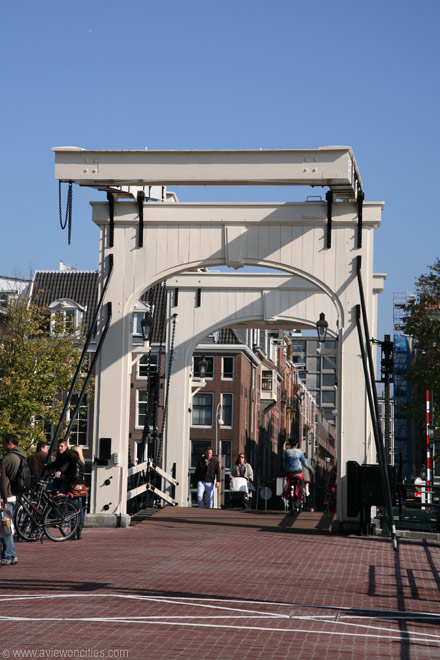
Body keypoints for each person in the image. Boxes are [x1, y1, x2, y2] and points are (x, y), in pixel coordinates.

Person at [1, 434, 24, 565]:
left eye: (4, 442)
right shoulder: (20, 455)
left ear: (9, 442)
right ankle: (12, 554)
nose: (3, 445)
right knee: (6, 527)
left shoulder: (9, 458)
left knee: (5, 528)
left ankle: (8, 556)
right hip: (12, 496)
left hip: (6, 497)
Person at [63, 445, 86, 540]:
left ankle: (74, 532)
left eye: (72, 452)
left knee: (74, 510)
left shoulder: (75, 462)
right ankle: (78, 532)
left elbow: (75, 476)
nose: (70, 454)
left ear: (75, 453)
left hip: (74, 488)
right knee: (79, 510)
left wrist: (66, 477)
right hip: (80, 488)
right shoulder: (81, 462)